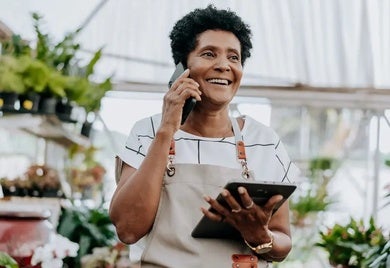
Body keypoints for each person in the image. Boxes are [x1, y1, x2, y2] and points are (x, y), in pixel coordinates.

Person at [109, 5, 300, 267]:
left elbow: (283, 242)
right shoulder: (148, 132)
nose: (224, 65)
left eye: (234, 57)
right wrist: (167, 130)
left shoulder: (264, 141)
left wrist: (260, 236)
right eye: (209, 54)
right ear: (182, 67)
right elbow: (128, 229)